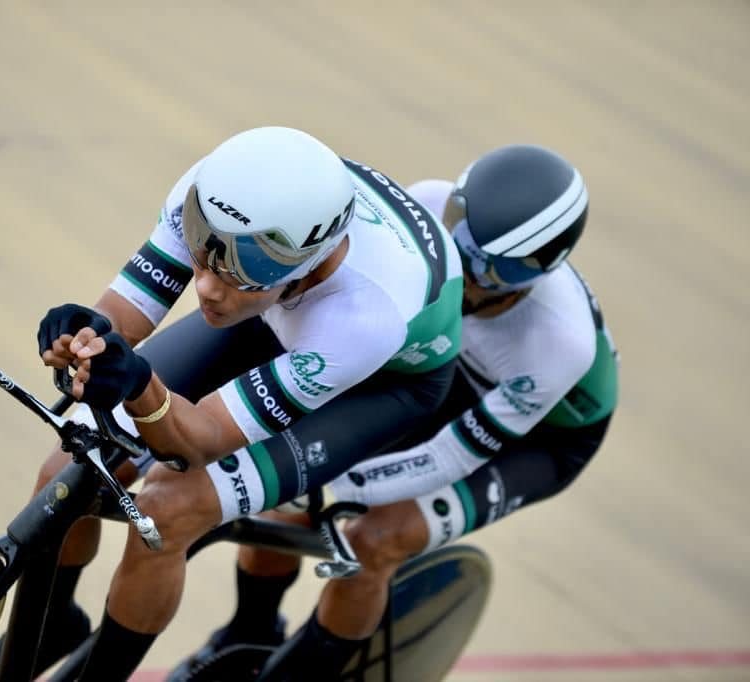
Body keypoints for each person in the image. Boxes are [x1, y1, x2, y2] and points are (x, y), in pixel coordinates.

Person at [9, 126, 466, 682]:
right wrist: (83, 336)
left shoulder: (365, 315)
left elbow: (200, 441)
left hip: (383, 384)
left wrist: (138, 385)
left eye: (242, 270)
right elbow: (121, 321)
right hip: (274, 315)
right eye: (201, 255)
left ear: (311, 262)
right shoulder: (214, 196)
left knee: (169, 509)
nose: (206, 287)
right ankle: (49, 625)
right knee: (69, 465)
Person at [168, 144, 620, 681]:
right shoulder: (427, 202)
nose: (466, 273)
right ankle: (248, 633)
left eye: (493, 271)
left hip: (537, 437)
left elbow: (455, 453)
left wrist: (341, 492)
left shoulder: (558, 343)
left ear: (539, 271)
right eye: (460, 240)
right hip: (436, 377)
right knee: (284, 501)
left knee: (376, 541)